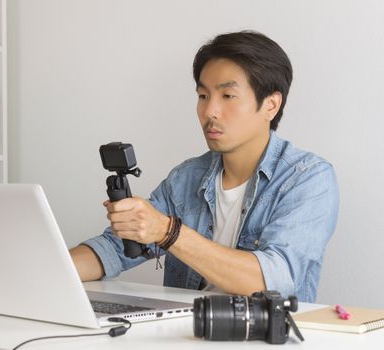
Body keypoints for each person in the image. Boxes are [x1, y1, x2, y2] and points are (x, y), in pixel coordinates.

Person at [70, 31, 339, 303]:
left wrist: (167, 231)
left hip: (265, 340)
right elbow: (114, 249)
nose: (210, 111)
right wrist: (37, 271)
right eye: (202, 95)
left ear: (270, 104)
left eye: (228, 96)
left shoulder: (308, 179)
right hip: (187, 332)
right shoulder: (187, 177)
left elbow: (271, 280)